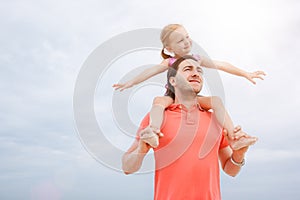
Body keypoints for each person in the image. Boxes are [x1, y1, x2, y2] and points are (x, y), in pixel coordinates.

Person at [122, 55, 258, 200]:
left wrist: (239, 155)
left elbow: (231, 170)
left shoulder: (216, 119)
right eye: (188, 69)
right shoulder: (157, 117)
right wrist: (141, 150)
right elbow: (127, 167)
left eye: (199, 71)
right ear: (172, 81)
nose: (196, 73)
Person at [113, 24, 265, 148]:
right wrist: (131, 82)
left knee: (216, 101)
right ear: (169, 48)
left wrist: (245, 73)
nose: (186, 42)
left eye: (187, 37)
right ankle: (153, 131)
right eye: (180, 41)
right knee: (158, 102)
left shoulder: (197, 58)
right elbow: (151, 71)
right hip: (172, 96)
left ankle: (234, 137)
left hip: (192, 98)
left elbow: (221, 65)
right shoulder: (170, 62)